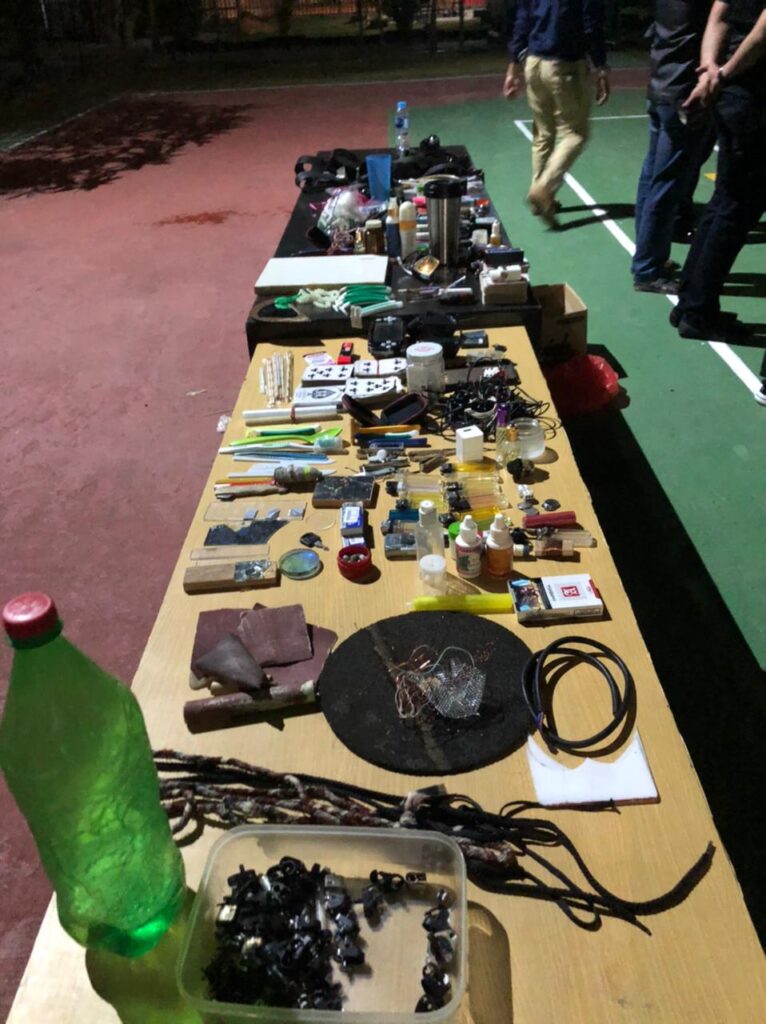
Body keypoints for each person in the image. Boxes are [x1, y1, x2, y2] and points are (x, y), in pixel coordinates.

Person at [671, 0, 766, 343]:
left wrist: (709, 69)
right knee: (735, 210)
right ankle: (698, 312)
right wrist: (721, 73)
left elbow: (719, 15)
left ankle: (690, 303)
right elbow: (763, 32)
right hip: (753, 94)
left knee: (724, 203)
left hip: (731, 93)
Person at [632, 0, 716, 293]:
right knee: (666, 185)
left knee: (651, 178)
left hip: (661, 86)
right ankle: (648, 269)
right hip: (681, 94)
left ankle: (647, 257)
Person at [504, 0, 610, 226]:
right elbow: (591, 24)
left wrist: (513, 67)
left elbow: (522, 20)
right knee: (575, 134)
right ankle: (543, 189)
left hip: (533, 63)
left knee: (543, 133)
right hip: (564, 66)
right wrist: (601, 67)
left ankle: (539, 201)